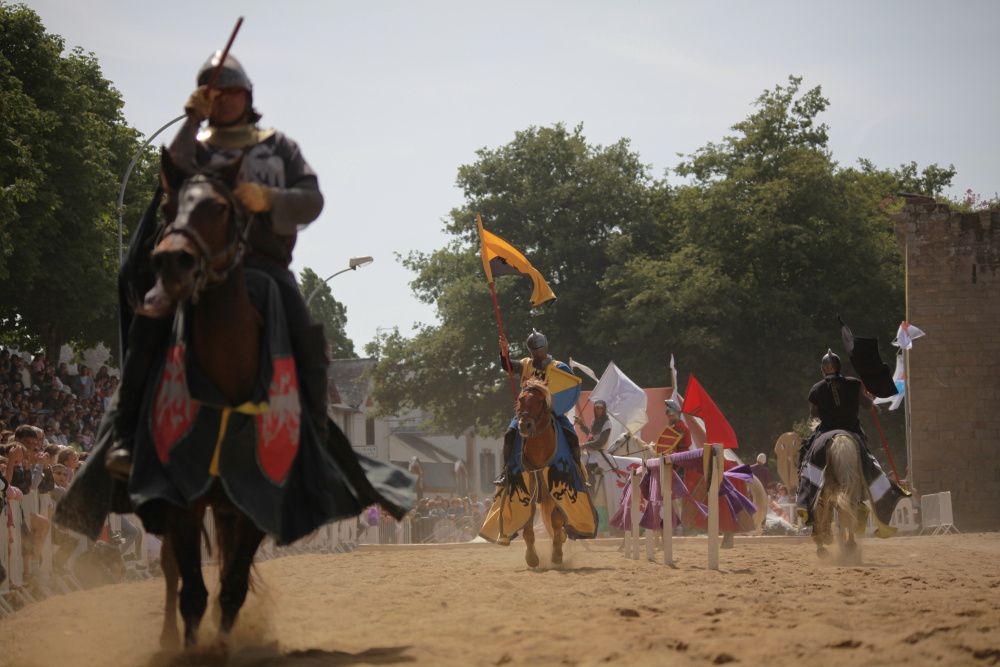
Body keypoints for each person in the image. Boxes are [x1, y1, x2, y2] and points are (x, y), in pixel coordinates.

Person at [105, 51, 326, 477]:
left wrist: (272, 199)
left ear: (247, 95)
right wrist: (190, 119)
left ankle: (316, 448)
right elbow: (171, 176)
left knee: (307, 337)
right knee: (148, 322)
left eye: (232, 91)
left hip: (266, 266)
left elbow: (313, 200)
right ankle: (125, 436)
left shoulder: (278, 146)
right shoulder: (198, 148)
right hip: (197, 268)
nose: (223, 99)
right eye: (214, 93)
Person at [795, 349, 907, 528]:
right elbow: (867, 405)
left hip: (825, 432)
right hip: (852, 431)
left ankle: (805, 500)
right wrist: (872, 405)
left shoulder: (816, 389)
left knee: (806, 454)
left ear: (823, 369)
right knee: (869, 462)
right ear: (839, 367)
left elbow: (814, 414)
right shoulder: (855, 384)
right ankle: (872, 495)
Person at [497, 329, 582, 477]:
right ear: (530, 350)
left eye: (540, 348)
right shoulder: (526, 364)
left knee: (572, 436)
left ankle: (578, 470)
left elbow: (569, 386)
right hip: (526, 412)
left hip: (550, 412)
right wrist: (505, 353)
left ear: (546, 347)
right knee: (509, 434)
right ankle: (507, 471)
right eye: (534, 350)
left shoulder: (559, 367)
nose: (537, 352)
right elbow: (508, 366)